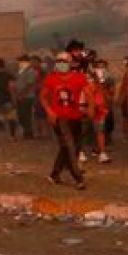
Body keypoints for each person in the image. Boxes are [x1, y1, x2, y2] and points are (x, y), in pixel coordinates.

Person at [39, 54, 89, 188]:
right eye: (59, 61)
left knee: (70, 147)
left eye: (64, 61)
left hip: (76, 117)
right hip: (60, 118)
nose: (61, 63)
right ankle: (78, 178)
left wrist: (89, 108)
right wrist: (49, 111)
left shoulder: (79, 78)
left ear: (71, 63)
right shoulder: (51, 79)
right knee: (70, 147)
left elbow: (88, 93)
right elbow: (43, 96)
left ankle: (54, 174)